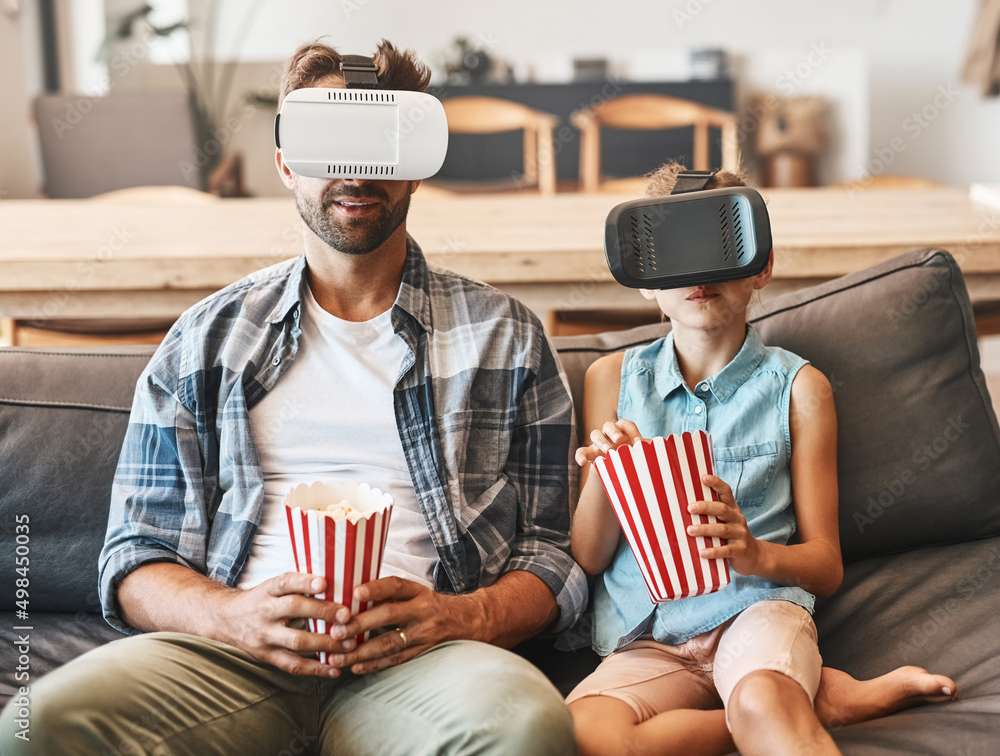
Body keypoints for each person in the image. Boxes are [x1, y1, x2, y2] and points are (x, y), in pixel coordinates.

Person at [0, 41, 585, 756]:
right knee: (36, 728)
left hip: (426, 662)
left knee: (530, 727)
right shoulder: (206, 339)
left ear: (414, 166)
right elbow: (132, 554)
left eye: (379, 143)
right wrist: (232, 615)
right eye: (325, 142)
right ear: (284, 163)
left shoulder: (507, 337)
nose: (353, 171)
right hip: (231, 655)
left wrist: (460, 616)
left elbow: (552, 557)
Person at [565, 162, 957, 756]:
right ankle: (822, 698)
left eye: (719, 246)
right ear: (646, 279)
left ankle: (779, 699)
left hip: (755, 614)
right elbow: (589, 557)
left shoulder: (799, 388)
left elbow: (825, 566)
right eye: (676, 253)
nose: (699, 273)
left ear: (761, 267)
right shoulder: (610, 379)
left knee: (761, 701)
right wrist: (606, 472)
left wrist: (753, 553)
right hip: (648, 639)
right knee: (582, 734)